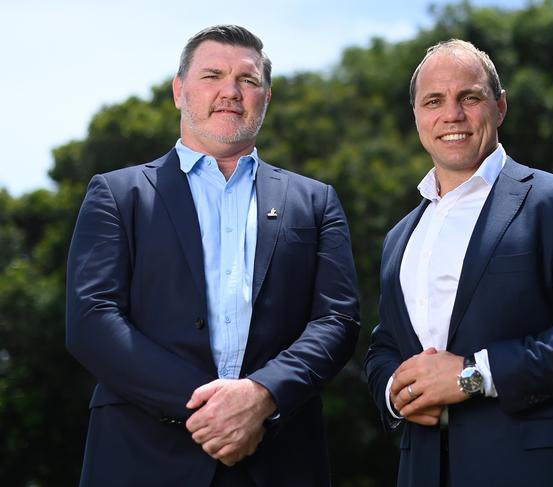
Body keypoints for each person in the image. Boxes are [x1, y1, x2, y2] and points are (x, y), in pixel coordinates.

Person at [66, 24, 359, 487]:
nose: (231, 92)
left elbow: (337, 321)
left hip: (278, 458)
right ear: (179, 91)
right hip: (141, 458)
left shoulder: (315, 201)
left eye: (248, 80)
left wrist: (262, 395)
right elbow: (92, 320)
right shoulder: (117, 194)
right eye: (212, 76)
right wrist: (213, 408)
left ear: (266, 96)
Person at [364, 39, 553, 487]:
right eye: (434, 101)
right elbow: (383, 345)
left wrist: (473, 376)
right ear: (416, 116)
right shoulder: (399, 236)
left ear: (500, 107)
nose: (452, 114)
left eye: (469, 97)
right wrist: (395, 391)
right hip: (422, 471)